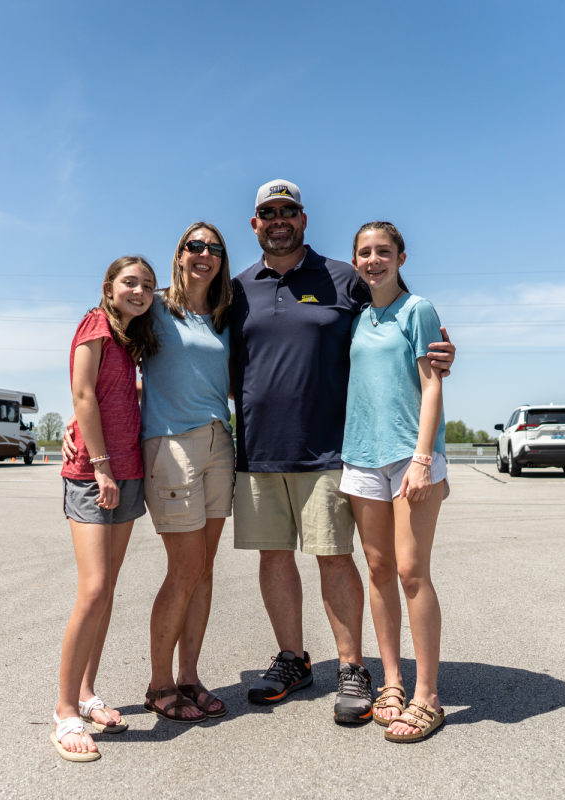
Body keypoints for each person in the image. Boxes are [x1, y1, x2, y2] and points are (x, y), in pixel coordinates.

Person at [229, 180, 455, 725]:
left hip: (333, 450)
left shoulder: (342, 278)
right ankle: (293, 659)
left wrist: (440, 351)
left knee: (345, 559)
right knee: (276, 557)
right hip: (260, 450)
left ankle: (354, 667)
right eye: (268, 212)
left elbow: (398, 309)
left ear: (304, 219)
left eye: (288, 211)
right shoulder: (234, 290)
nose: (278, 219)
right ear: (255, 223)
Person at [63, 222, 235, 723]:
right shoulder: (153, 305)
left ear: (222, 259)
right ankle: (159, 684)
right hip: (170, 446)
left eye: (214, 248)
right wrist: (76, 418)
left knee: (203, 569)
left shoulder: (226, 313)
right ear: (180, 254)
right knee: (183, 568)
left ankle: (190, 678)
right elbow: (93, 374)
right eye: (194, 246)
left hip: (218, 442)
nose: (204, 254)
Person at [339, 222, 448, 742]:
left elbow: (433, 385)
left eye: (384, 251)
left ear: (402, 257)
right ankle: (392, 683)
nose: (374, 259)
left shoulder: (417, 309)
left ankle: (428, 696)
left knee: (410, 572)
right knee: (378, 569)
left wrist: (423, 460)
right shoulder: (357, 316)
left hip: (410, 456)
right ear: (355, 260)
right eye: (365, 252)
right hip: (362, 457)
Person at [52, 256, 157, 761]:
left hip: (130, 472)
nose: (139, 291)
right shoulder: (95, 324)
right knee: (92, 589)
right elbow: (83, 393)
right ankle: (64, 710)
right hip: (97, 476)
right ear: (108, 287)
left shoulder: (131, 339)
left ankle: (89, 692)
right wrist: (100, 465)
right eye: (130, 282)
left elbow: (118, 393)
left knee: (108, 589)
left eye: (148, 286)